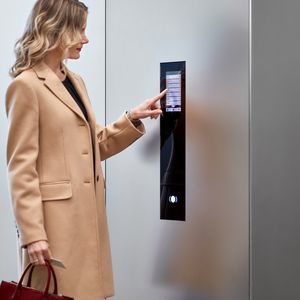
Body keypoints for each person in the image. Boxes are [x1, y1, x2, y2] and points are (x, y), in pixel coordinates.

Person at [5, 0, 166, 299]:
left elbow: (92, 145)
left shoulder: (74, 81)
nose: (86, 38)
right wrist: (32, 234)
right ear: (56, 29)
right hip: (53, 229)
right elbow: (20, 167)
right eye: (80, 29)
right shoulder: (26, 86)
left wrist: (131, 119)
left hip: (86, 220)